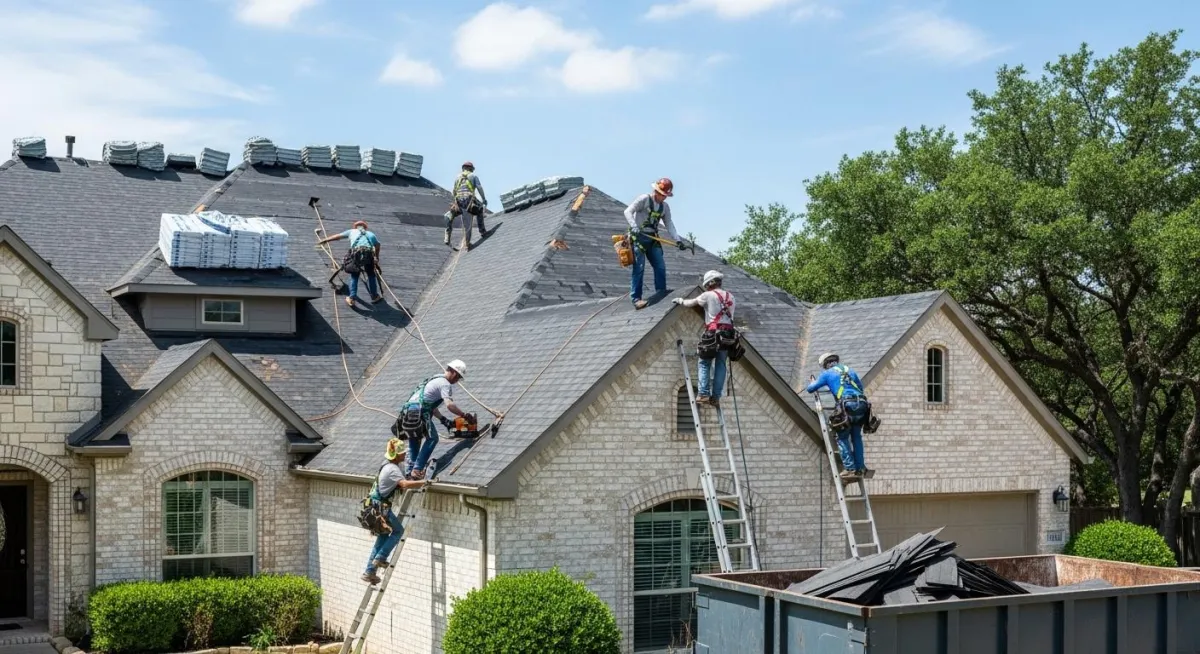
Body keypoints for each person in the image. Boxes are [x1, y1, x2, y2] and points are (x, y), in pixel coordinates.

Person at [362, 438, 427, 584]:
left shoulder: (387, 465)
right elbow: (404, 484)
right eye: (402, 453)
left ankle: (369, 572)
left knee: (383, 538)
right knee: (398, 531)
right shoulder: (392, 469)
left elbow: (400, 483)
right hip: (380, 507)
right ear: (396, 455)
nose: (405, 455)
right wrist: (424, 482)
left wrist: (413, 478)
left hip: (373, 506)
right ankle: (381, 558)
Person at [397, 359, 472, 480]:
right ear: (453, 372)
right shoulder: (445, 384)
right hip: (418, 412)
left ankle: (410, 472)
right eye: (458, 377)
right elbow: (449, 405)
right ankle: (417, 469)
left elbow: (430, 406)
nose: (457, 381)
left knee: (415, 441)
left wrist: (444, 420)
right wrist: (463, 415)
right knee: (432, 438)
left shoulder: (434, 379)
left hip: (408, 412)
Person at [805, 353, 874, 481]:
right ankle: (860, 467)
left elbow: (811, 389)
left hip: (846, 406)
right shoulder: (850, 371)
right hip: (862, 405)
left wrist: (813, 382)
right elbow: (860, 388)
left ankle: (850, 469)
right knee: (856, 437)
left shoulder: (827, 373)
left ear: (825, 364)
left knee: (842, 436)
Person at [673, 270, 735, 407]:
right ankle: (716, 397)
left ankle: (703, 394)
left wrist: (681, 301)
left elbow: (692, 302)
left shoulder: (708, 295)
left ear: (711, 283)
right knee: (721, 364)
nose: (706, 287)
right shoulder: (731, 297)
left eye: (707, 285)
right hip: (728, 336)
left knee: (704, 363)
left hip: (713, 334)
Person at [624, 178, 688, 309]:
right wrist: (634, 226)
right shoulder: (644, 199)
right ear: (656, 191)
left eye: (665, 196)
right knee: (639, 268)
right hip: (639, 238)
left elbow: (669, 224)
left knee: (660, 266)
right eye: (662, 194)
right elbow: (627, 211)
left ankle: (661, 292)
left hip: (652, 239)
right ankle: (636, 299)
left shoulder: (664, 207)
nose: (663, 198)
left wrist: (678, 240)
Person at [317, 220, 382, 308]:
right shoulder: (371, 234)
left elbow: (337, 236)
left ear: (355, 227)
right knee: (371, 275)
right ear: (365, 227)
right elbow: (377, 245)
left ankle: (352, 298)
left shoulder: (351, 231)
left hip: (357, 253)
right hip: (368, 254)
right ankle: (375, 296)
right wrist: (376, 257)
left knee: (354, 275)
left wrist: (324, 240)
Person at [448, 161, 488, 247]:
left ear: (463, 168)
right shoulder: (473, 176)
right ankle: (482, 231)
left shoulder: (457, 178)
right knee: (480, 208)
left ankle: (467, 243)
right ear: (471, 169)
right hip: (469, 200)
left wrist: (457, 202)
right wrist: (484, 199)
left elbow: (454, 192)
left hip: (460, 202)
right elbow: (479, 188)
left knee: (467, 223)